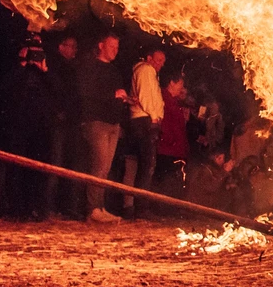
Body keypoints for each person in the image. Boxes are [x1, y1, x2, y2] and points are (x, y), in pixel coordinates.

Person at [0, 41, 57, 220]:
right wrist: (21, 64)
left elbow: (60, 92)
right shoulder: (16, 71)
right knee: (16, 170)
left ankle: (35, 208)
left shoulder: (45, 74)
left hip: (41, 129)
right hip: (18, 127)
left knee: (38, 170)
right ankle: (17, 209)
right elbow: (3, 88)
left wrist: (45, 71)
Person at [77, 33, 128, 224]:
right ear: (101, 45)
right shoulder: (91, 67)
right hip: (97, 122)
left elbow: (115, 96)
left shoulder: (114, 71)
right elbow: (87, 93)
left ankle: (100, 207)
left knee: (105, 168)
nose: (115, 50)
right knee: (98, 166)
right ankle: (92, 209)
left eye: (117, 47)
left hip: (113, 123)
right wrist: (113, 94)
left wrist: (124, 99)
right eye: (111, 46)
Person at [45, 35, 82, 218]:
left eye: (76, 47)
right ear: (61, 47)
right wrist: (59, 112)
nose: (74, 50)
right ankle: (49, 206)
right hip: (59, 122)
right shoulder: (55, 66)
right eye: (71, 46)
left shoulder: (72, 68)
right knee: (55, 164)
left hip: (71, 122)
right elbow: (56, 92)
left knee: (69, 165)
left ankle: (66, 207)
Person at [124, 48, 164, 217]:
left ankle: (131, 206)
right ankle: (141, 207)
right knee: (147, 165)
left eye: (163, 61)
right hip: (144, 120)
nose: (160, 64)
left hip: (141, 120)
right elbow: (147, 97)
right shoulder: (146, 70)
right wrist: (154, 118)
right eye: (157, 59)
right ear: (149, 58)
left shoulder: (146, 71)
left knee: (138, 165)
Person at [154, 73, 191, 202]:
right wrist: (170, 140)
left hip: (175, 149)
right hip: (168, 148)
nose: (182, 87)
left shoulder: (175, 101)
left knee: (173, 179)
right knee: (165, 179)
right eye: (180, 84)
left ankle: (168, 207)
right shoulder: (163, 98)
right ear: (172, 83)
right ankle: (160, 206)